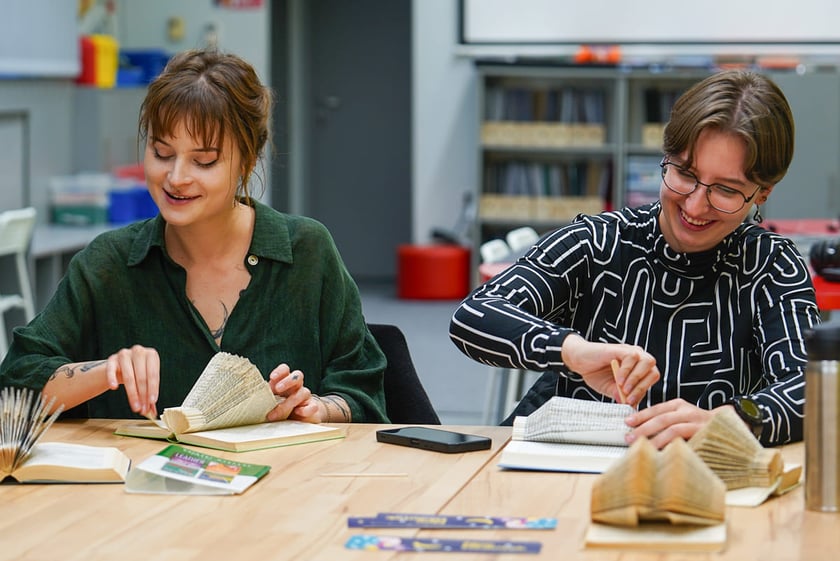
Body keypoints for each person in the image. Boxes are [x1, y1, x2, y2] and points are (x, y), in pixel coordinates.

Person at [0, 48, 388, 424]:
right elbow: (15, 383)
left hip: (285, 485)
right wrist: (106, 371)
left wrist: (318, 408)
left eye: (204, 161)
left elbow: (362, 389)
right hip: (143, 490)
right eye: (162, 152)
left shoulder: (307, 251)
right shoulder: (109, 263)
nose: (177, 177)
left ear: (248, 161)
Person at [450, 69, 821, 447]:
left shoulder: (771, 265)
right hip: (576, 480)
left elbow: (816, 385)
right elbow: (475, 316)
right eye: (684, 172)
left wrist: (729, 420)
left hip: (708, 485)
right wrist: (573, 351)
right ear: (665, 158)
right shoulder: (597, 241)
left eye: (726, 190)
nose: (694, 205)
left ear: (762, 194)